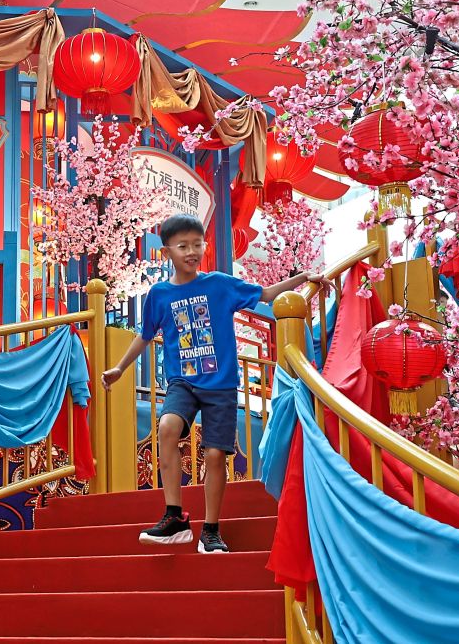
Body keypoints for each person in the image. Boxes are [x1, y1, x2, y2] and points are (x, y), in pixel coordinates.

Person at [101, 213, 321, 553]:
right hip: (182, 382)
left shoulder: (220, 284)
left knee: (216, 455)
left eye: (197, 244)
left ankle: (211, 529)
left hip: (220, 386)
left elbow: (266, 293)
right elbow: (144, 337)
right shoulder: (159, 295)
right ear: (167, 253)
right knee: (167, 428)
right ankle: (174, 517)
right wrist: (118, 368)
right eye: (183, 246)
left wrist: (304, 278)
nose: (191, 251)